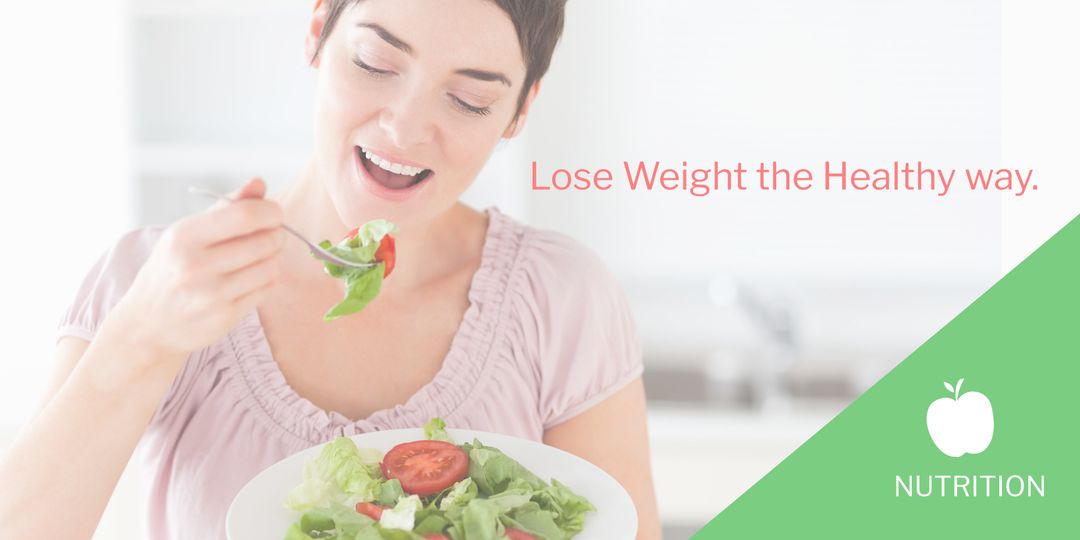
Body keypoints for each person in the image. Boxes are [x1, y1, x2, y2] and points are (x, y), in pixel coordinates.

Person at [0, 0, 661, 538]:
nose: (405, 128)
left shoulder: (563, 297)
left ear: (519, 110)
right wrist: (141, 339)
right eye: (376, 63)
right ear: (317, 31)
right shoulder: (153, 279)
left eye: (467, 99)